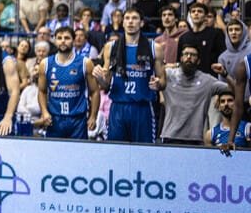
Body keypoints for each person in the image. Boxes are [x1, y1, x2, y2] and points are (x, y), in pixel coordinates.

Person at [93, 8, 166, 143]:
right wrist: (99, 78)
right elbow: (106, 84)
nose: (130, 22)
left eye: (134, 18)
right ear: (123, 22)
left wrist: (158, 84)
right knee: (115, 151)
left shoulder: (154, 48)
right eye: (127, 18)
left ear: (142, 23)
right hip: (118, 107)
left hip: (143, 107)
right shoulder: (111, 47)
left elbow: (163, 82)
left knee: (144, 152)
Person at [159, 46, 231, 147]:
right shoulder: (169, 75)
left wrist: (225, 74)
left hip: (195, 140)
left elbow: (235, 89)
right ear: (180, 58)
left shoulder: (207, 81)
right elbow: (155, 75)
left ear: (198, 61)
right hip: (170, 137)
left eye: (193, 55)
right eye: (186, 54)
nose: (189, 57)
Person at [37, 26, 99, 139]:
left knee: (78, 155)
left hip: (77, 120)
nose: (63, 41)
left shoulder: (86, 63)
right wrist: (44, 112)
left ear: (74, 40)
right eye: (59, 38)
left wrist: (93, 116)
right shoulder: (45, 64)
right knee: (54, 155)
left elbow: (95, 92)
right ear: (55, 40)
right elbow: (41, 91)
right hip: (55, 119)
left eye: (67, 38)